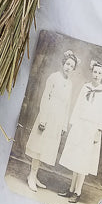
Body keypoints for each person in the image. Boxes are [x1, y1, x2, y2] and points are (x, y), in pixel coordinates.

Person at [24, 50, 79, 192]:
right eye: (67, 64)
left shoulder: (70, 83)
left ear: (73, 69)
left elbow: (67, 105)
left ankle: (35, 175)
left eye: (71, 66)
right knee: (38, 146)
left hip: (58, 119)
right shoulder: (53, 77)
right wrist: (43, 119)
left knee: (46, 148)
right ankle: (31, 175)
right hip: (48, 115)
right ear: (63, 63)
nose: (68, 67)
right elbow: (45, 98)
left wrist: (64, 125)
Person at [58, 60, 102, 203]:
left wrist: (98, 131)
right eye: (95, 72)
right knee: (75, 158)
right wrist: (73, 123)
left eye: (100, 73)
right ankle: (71, 189)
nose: (96, 75)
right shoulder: (85, 87)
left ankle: (78, 192)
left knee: (83, 161)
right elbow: (78, 105)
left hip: (91, 129)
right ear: (91, 72)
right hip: (80, 126)